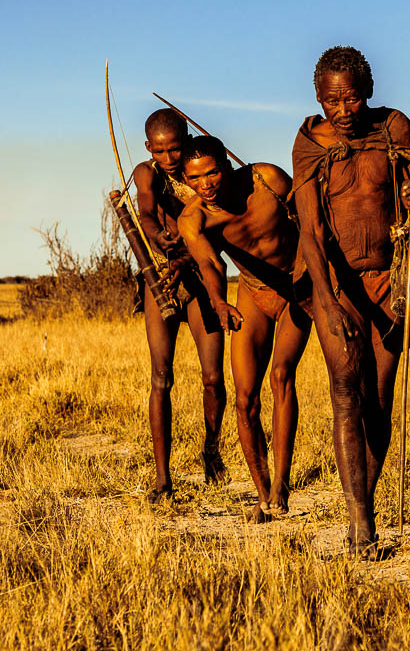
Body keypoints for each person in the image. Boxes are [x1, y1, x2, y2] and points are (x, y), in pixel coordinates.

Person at [291, 45, 410, 557]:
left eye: (352, 98)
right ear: (318, 97)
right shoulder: (309, 143)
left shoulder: (395, 127)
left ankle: (366, 501)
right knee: (344, 392)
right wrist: (327, 302)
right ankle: (361, 524)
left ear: (369, 91)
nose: (342, 110)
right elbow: (311, 230)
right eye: (331, 100)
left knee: (378, 400)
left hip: (389, 278)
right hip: (335, 282)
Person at [177, 135, 312, 520]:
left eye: (212, 172)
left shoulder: (266, 180)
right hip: (252, 293)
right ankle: (262, 493)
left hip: (298, 289)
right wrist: (219, 302)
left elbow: (312, 221)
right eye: (195, 178)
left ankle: (281, 486)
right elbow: (211, 264)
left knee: (281, 376)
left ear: (227, 165)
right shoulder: (193, 220)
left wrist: (314, 277)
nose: (206, 184)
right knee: (245, 399)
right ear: (185, 180)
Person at [131, 109, 228, 501]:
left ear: (186, 140)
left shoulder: (201, 171)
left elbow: (222, 224)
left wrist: (189, 255)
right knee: (161, 376)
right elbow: (145, 213)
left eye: (175, 149)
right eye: (160, 151)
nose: (169, 158)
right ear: (148, 148)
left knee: (213, 377)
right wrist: (159, 238)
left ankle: (211, 450)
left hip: (203, 278)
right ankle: (163, 478)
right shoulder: (147, 174)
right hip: (161, 278)